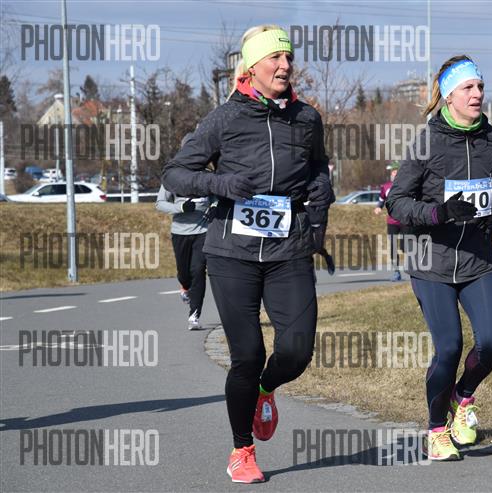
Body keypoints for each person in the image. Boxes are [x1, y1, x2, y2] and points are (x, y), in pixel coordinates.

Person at [162, 24, 333, 483]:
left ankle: (265, 389)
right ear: (252, 66)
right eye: (275, 58)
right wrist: (220, 183)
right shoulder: (224, 119)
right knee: (248, 354)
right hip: (231, 252)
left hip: (289, 247)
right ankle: (242, 451)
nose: (285, 65)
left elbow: (319, 167)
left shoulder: (307, 118)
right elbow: (175, 174)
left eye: (289, 57)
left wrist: (319, 211)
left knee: (296, 351)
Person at [386, 55, 492, 461]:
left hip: (478, 260)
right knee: (450, 348)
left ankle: (463, 395)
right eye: (468, 88)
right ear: (448, 95)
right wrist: (439, 213)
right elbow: (397, 202)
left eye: (480, 86)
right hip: (431, 262)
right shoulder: (426, 141)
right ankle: (437, 429)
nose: (477, 94)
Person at [155, 183, 210, 329]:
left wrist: (214, 207)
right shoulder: (172, 178)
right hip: (180, 232)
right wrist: (180, 207)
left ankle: (194, 316)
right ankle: (185, 286)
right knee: (184, 274)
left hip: (203, 231)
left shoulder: (205, 176)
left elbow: (216, 197)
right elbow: (160, 203)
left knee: (198, 270)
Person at [374, 161, 404, 281]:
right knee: (393, 247)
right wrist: (378, 207)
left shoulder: (406, 184)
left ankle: (416, 269)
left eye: (396, 171)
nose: (394, 174)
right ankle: (396, 272)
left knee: (406, 246)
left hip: (405, 221)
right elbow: (382, 199)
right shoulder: (386, 186)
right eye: (393, 172)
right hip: (392, 222)